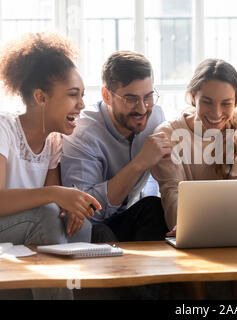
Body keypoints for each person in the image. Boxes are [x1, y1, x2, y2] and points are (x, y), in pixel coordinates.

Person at [152, 58, 237, 232]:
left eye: (226, 103)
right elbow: (172, 190)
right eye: (207, 101)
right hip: (193, 227)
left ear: (236, 101)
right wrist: (183, 226)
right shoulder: (169, 133)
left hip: (235, 227)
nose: (216, 113)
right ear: (193, 96)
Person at [0, 32, 101, 246]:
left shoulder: (54, 141)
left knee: (80, 224)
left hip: (26, 225)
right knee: (46, 217)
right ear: (41, 98)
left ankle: (80, 280)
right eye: (73, 94)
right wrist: (56, 194)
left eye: (82, 95)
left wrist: (70, 207)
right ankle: (59, 280)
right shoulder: (4, 129)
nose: (82, 104)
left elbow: (54, 204)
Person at [61, 51, 171, 243]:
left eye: (148, 96)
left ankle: (154, 271)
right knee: (100, 232)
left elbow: (160, 181)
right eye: (131, 99)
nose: (142, 108)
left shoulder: (156, 117)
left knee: (154, 207)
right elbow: (86, 212)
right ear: (107, 95)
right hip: (91, 230)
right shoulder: (82, 134)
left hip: (127, 218)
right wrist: (139, 164)